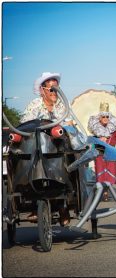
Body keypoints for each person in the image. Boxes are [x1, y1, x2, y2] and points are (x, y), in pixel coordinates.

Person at [20, 72, 74, 225]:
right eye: (51, 89)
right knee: (28, 164)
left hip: (58, 148)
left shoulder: (63, 105)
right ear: (42, 90)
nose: (54, 92)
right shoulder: (34, 105)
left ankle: (63, 207)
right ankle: (34, 205)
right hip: (36, 148)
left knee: (69, 162)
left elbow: (69, 123)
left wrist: (65, 127)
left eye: (57, 89)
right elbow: (25, 123)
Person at [88, 102, 116, 201]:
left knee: (110, 170)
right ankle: (102, 191)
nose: (105, 118)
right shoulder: (95, 128)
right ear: (100, 117)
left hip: (111, 149)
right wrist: (97, 140)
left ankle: (106, 191)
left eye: (107, 117)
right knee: (100, 169)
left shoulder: (114, 127)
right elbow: (90, 140)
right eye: (103, 116)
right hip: (100, 149)